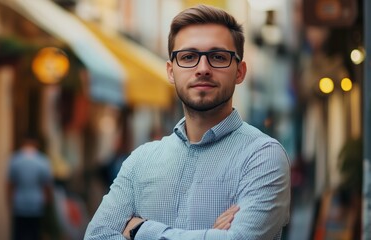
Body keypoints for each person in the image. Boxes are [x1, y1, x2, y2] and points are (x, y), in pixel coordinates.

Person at [84, 4, 290, 240]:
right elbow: (96, 236)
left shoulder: (263, 156)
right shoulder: (141, 160)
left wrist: (140, 231)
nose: (203, 69)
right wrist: (211, 235)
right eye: (188, 57)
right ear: (171, 71)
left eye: (218, 57)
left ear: (240, 72)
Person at [7, 137, 53, 240]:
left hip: (19, 203)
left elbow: (10, 184)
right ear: (36, 144)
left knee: (19, 234)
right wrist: (49, 201)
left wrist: (9, 201)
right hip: (36, 203)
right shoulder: (42, 160)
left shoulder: (15, 159)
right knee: (34, 234)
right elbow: (47, 185)